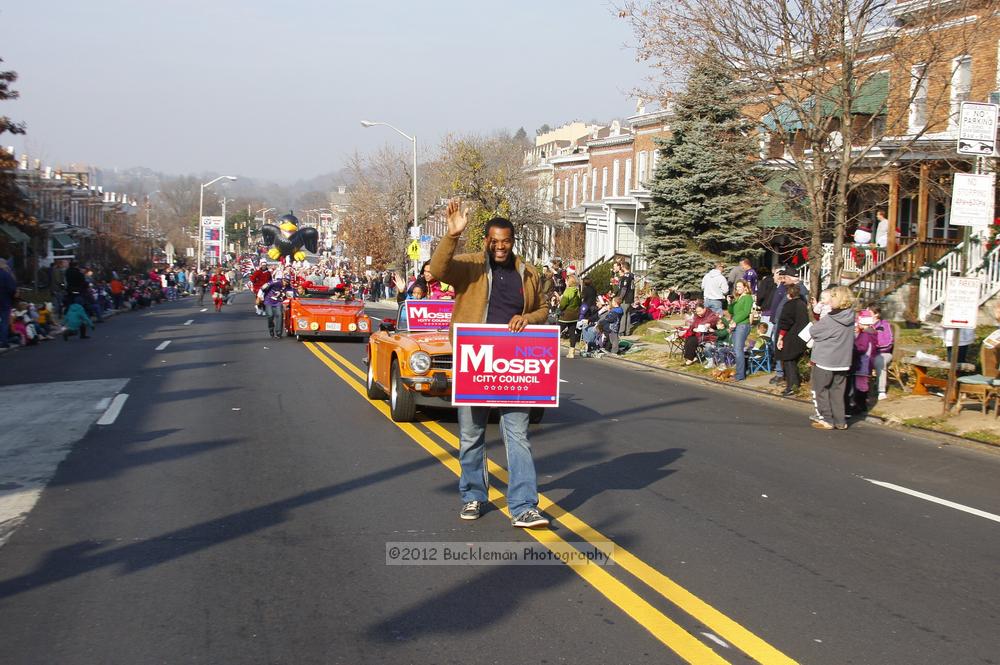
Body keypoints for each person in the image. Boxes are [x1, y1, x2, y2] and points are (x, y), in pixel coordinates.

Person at [428, 198, 550, 529]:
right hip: (475, 363)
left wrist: (527, 318)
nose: (500, 247)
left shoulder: (528, 273)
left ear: (512, 242)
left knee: (518, 436)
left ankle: (524, 505)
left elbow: (542, 310)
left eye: (505, 242)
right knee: (471, 435)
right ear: (486, 241)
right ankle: (473, 496)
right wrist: (453, 235)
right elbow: (438, 271)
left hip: (513, 366)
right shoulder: (469, 266)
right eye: (494, 241)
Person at [808, 286, 856, 429]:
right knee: (838, 391)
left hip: (825, 359)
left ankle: (827, 419)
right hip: (843, 360)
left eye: (833, 296)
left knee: (820, 389)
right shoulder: (850, 316)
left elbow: (814, 331)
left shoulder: (832, 318)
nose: (830, 300)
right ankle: (840, 421)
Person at [775, 283, 810, 396]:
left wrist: (780, 337)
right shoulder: (802, 304)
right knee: (793, 361)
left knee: (788, 361)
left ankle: (791, 386)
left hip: (791, 337)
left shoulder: (789, 305)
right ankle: (794, 384)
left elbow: (785, 323)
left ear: (789, 294)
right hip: (801, 336)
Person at [729, 279, 754, 380]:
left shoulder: (747, 298)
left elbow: (745, 312)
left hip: (742, 325)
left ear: (745, 287)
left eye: (739, 286)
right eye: (736, 287)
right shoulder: (738, 298)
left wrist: (735, 320)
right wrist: (730, 303)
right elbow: (731, 311)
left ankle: (740, 375)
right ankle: (741, 371)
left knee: (738, 350)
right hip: (736, 325)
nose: (737, 289)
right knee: (736, 350)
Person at [681, 300, 719, 365]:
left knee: (692, 341)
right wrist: (694, 329)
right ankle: (692, 357)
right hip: (698, 334)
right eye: (697, 312)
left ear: (704, 309)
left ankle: (690, 359)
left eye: (700, 311)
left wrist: (709, 325)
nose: (698, 313)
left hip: (707, 336)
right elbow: (692, 326)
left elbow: (714, 322)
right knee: (688, 338)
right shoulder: (697, 317)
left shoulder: (711, 315)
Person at [870, 305, 894, 401]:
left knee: (880, 361)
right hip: (867, 352)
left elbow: (888, 342)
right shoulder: (862, 325)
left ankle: (881, 390)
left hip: (883, 352)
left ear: (876, 314)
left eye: (869, 313)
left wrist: (876, 346)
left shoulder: (884, 325)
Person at [558, 274, 582, 358]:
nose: (565, 282)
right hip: (574, 315)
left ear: (569, 282)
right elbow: (579, 303)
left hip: (566, 315)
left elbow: (563, 303)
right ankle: (571, 352)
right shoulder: (578, 291)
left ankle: (551, 348)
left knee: (556, 332)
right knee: (572, 333)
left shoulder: (568, 291)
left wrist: (560, 307)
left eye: (566, 280)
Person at [616, 260, 636, 335]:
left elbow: (624, 288)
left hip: (625, 299)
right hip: (630, 298)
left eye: (621, 267)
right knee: (627, 315)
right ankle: (627, 331)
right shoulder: (632, 276)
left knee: (623, 315)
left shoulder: (625, 277)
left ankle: (621, 331)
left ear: (624, 267)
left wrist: (620, 298)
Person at [0, 258, 16, 349]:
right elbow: (12, 288)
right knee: (4, 320)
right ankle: (4, 341)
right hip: (5, 300)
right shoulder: (6, 275)